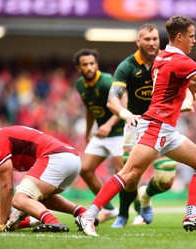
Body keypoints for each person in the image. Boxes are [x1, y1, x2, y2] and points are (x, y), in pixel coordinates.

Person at [75, 14, 196, 236]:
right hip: (156, 126)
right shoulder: (180, 61)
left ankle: (191, 215)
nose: (194, 40)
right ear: (179, 37)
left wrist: (190, 83)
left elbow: (171, 80)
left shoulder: (161, 58)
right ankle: (89, 215)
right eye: (191, 36)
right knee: (129, 174)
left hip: (165, 129)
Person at [106, 23, 196, 228]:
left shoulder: (167, 59)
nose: (152, 43)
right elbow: (112, 99)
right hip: (137, 124)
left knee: (166, 180)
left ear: (160, 40)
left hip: (163, 124)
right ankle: (122, 215)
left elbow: (187, 82)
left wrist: (188, 100)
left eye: (155, 39)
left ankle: (145, 195)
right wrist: (125, 113)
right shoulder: (127, 66)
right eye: (147, 39)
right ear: (138, 42)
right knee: (130, 177)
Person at [0, 125, 92, 232]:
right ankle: (83, 213)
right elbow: (0, 169)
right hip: (73, 159)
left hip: (56, 157)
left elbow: (7, 186)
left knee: (19, 199)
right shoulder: (0, 140)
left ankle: (52, 221)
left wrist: (2, 223)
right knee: (37, 196)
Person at [74, 48, 125, 223]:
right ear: (79, 68)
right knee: (85, 170)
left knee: (124, 173)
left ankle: (133, 211)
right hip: (101, 133)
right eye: (85, 65)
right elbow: (90, 109)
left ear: (96, 65)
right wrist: (88, 133)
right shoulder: (80, 84)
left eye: (91, 64)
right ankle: (110, 209)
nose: (89, 67)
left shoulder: (106, 81)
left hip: (119, 131)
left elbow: (123, 104)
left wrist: (108, 124)